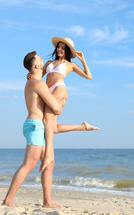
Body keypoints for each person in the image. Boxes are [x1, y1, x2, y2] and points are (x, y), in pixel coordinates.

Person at [2, 51, 64, 208]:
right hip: (35, 126)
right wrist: (60, 103)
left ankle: (47, 201)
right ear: (36, 65)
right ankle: (8, 200)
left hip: (37, 126)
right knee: (29, 164)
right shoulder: (37, 84)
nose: (43, 60)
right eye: (40, 59)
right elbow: (56, 109)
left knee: (49, 163)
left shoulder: (32, 82)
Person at [39, 37, 98, 172]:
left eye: (63, 48)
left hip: (59, 89)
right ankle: (82, 126)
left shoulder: (70, 65)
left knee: (46, 120)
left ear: (67, 51)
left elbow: (89, 76)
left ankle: (48, 155)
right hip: (47, 92)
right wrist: (30, 75)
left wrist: (82, 60)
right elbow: (38, 77)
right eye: (58, 47)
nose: (60, 49)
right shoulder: (49, 62)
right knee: (51, 128)